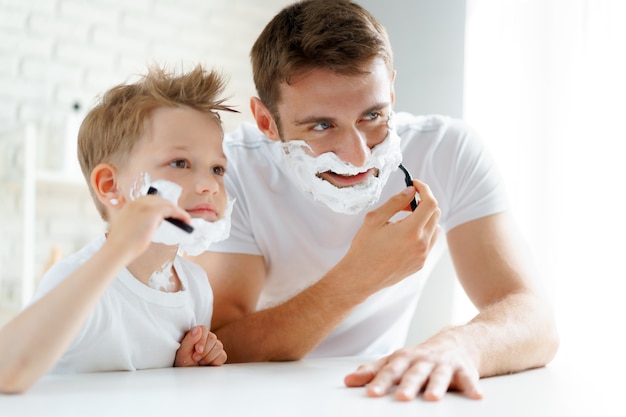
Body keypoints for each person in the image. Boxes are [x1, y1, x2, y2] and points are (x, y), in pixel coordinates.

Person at [187, 0, 560, 402]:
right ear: (265, 121)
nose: (357, 155)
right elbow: (223, 348)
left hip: (377, 394)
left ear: (392, 91)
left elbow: (536, 320)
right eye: (322, 125)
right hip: (255, 397)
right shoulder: (230, 170)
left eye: (372, 116)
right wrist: (359, 276)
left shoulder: (447, 151)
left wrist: (461, 344)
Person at [0, 65, 237, 394]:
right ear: (110, 185)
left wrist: (186, 367)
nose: (210, 184)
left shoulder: (195, 287)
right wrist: (118, 250)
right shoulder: (79, 278)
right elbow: (6, 371)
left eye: (217, 168)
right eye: (180, 163)